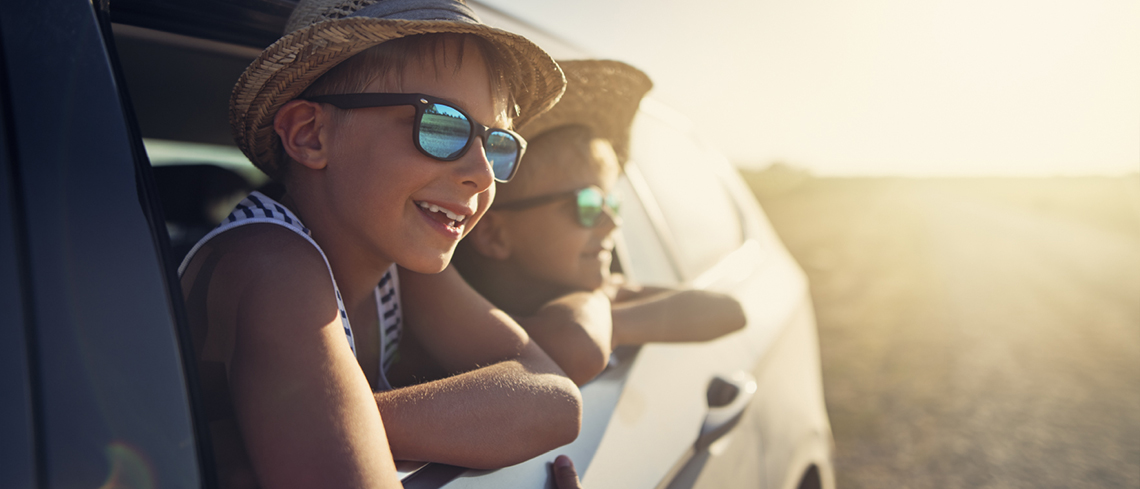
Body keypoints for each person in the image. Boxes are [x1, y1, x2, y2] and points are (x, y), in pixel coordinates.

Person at [178, 1, 582, 486]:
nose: (481, 175)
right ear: (310, 136)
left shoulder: (396, 260)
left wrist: (339, 425)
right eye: (442, 127)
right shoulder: (270, 266)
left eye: (498, 145)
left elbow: (554, 397)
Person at [453, 60, 747, 386]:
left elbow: (730, 311)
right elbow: (564, 348)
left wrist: (607, 321)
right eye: (588, 204)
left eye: (612, 203)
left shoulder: (601, 293)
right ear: (494, 234)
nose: (612, 224)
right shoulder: (454, 318)